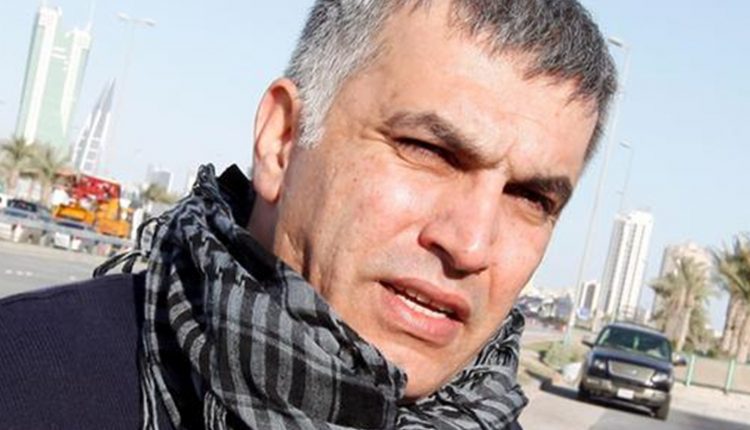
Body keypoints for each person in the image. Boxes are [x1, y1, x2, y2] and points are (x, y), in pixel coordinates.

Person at [0, 0, 616, 428]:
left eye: (531, 198)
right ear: (283, 140)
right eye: (427, 151)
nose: (472, 244)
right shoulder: (27, 382)